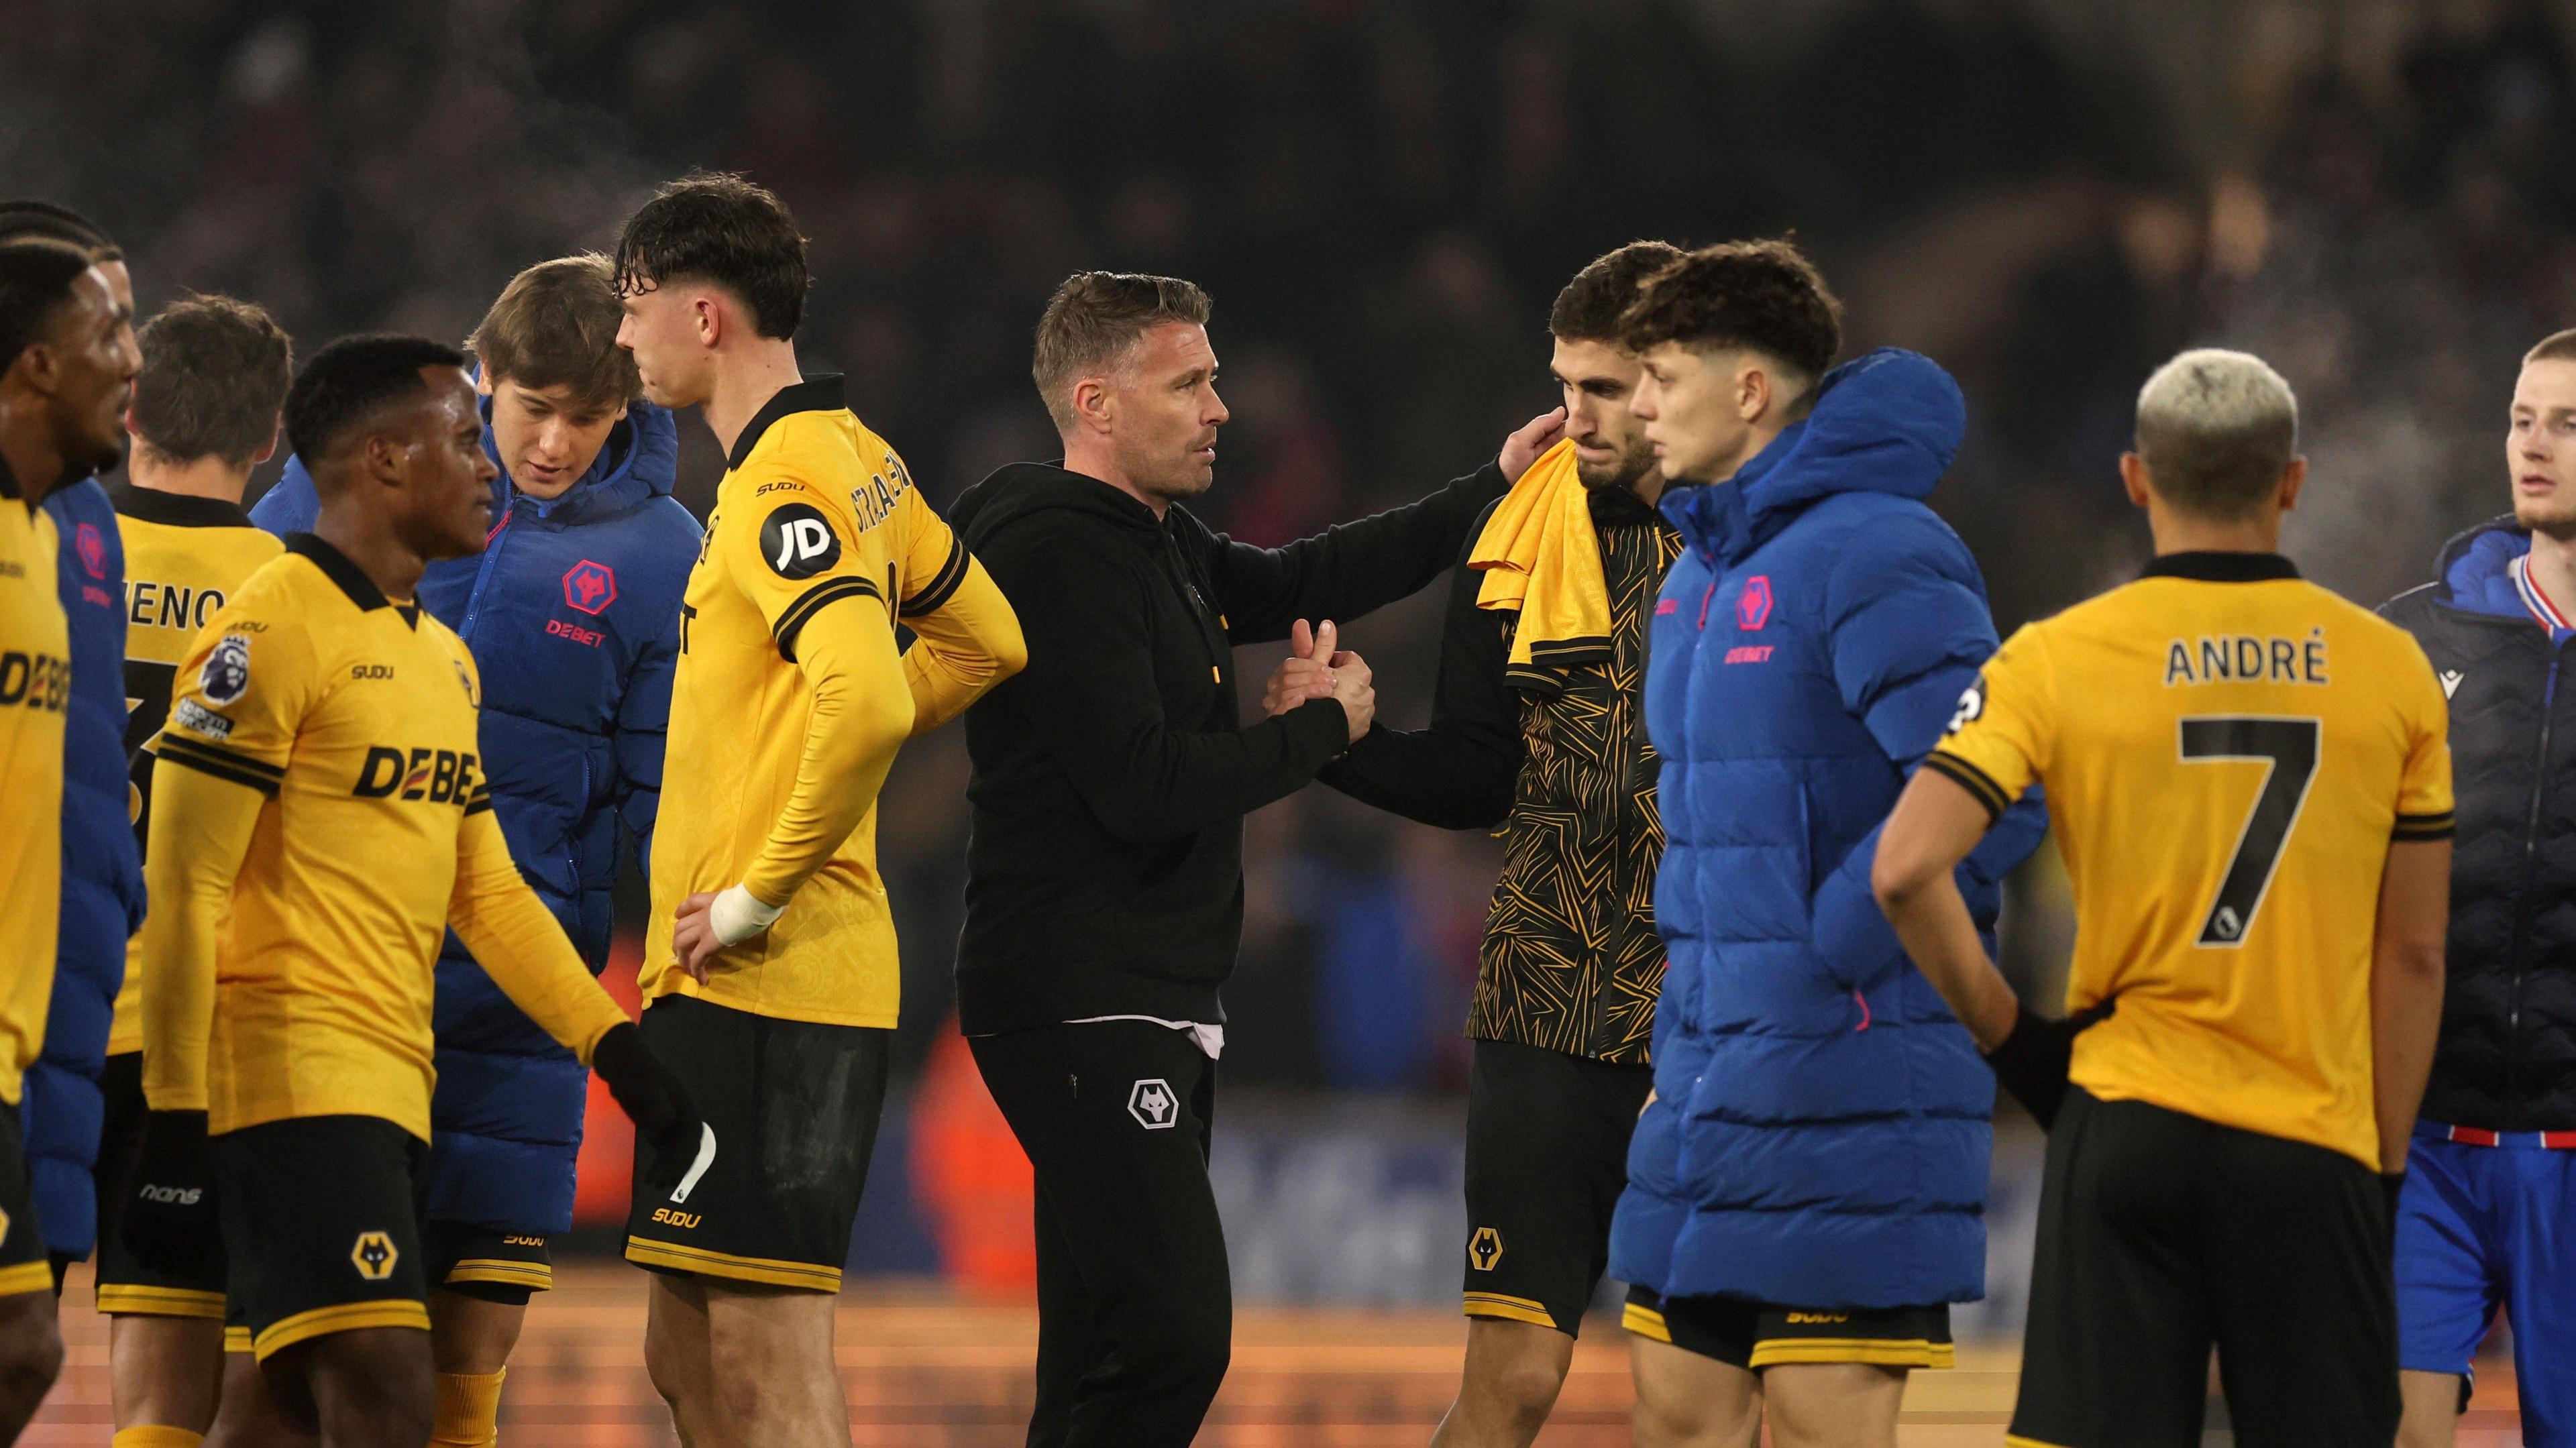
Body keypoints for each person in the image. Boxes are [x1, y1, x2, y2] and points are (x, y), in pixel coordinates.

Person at [948, 269, 1558, 1448]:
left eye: (1215, 378)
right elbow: (1143, 787)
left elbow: (1304, 580)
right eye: (1189, 382)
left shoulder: (1151, 540)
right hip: (1082, 994)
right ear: (1098, 403)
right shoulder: (1060, 554)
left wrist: (1494, 486)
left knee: (1099, 1350)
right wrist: (1319, 732)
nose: (1221, 406)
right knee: (1176, 1337)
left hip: (1136, 991)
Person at [121, 335, 702, 1448]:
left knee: (282, 1408)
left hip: (396, 1077)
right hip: (286, 1076)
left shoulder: (443, 660)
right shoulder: (266, 627)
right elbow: (185, 883)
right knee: (389, 1388)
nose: (492, 462)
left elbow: (483, 892)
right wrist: (177, 1117)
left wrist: (612, 1048)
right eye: (461, 437)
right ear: (382, 461)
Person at [1874, 348, 2453, 1447]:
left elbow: (1904, 869)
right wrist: (2376, 1171)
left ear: (2137, 480)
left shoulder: (2058, 656)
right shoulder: (2394, 671)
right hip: (2310, 1138)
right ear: (2292, 482)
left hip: (2128, 1116)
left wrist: (2018, 1045)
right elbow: (2414, 954)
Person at [1605, 241, 2044, 1448]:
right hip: (1707, 1082)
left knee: (1820, 1430)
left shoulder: (1879, 551)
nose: (1639, 405)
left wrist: (1825, 955)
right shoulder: (1697, 574)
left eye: (1663, 375)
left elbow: (2000, 791)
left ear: (1751, 389)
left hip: (1850, 1082)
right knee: (1677, 1418)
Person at [609, 172, 1025, 1448]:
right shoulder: (857, 458)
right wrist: (818, 748)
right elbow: (987, 638)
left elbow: (863, 702)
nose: (623, 339)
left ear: (704, 314)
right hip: (726, 984)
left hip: (772, 977)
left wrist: (758, 887)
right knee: (683, 1351)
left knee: (766, 1351)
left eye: (633, 308)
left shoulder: (787, 483)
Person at [1281, 240, 1682, 1447]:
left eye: (1606, 389)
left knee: (1699, 1396)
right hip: (1544, 1002)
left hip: (1711, 1002)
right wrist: (1339, 739)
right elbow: (1478, 774)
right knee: (1509, 1386)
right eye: (1565, 386)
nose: (1576, 418)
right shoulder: (1518, 531)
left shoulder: (1770, 540)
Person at [95, 292, 292, 1448]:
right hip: (196, 1021)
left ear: (127, 406)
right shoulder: (293, 591)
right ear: (269, 439)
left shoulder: (44, 548)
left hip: (33, 1003)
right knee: (164, 1387)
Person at [2381, 328, 2576, 1448]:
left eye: (2563, 422)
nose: (2532, 446)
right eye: (2519, 418)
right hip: (2427, 1148)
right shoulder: (2408, 640)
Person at [0, 235, 139, 1444]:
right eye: (110, 337)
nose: (132, 364)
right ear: (37, 365)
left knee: (23, 1341)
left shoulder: (50, 539)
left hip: (33, 1033)